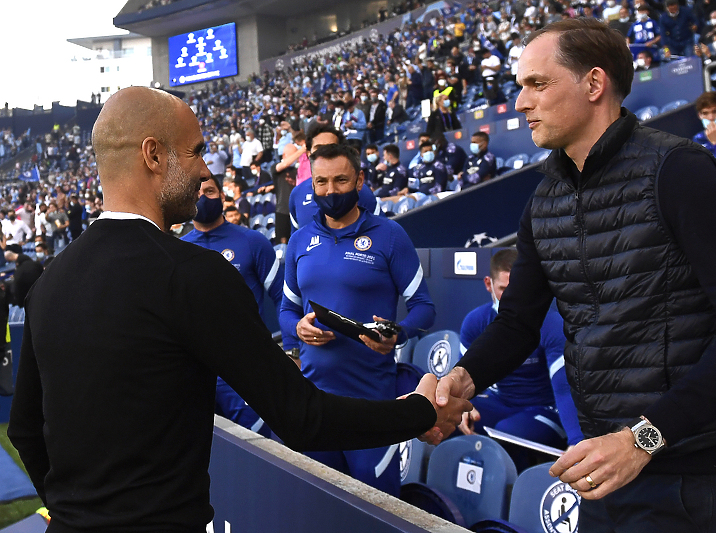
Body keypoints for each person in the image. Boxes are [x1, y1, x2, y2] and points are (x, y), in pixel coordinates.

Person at [8, 87, 470, 533]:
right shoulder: (193, 274)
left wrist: (77, 514)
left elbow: (26, 429)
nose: (203, 171)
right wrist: (418, 412)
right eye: (195, 152)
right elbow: (302, 418)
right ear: (153, 155)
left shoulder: (50, 282)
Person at [425, 19, 716, 532]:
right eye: (519, 86)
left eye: (538, 83)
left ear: (594, 84)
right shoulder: (543, 199)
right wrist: (458, 380)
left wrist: (641, 439)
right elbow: (516, 325)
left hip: (691, 479)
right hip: (600, 469)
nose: (522, 103)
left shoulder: (679, 170)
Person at [280, 143, 436, 497]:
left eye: (340, 180)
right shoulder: (300, 240)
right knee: (321, 512)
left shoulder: (390, 236)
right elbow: (286, 312)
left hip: (373, 405)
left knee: (376, 512)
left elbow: (424, 307)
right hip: (316, 403)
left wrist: (399, 333)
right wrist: (296, 329)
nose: (331, 191)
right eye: (321, 183)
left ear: (360, 180)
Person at [458, 249, 583, 461]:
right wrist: (459, 406)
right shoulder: (475, 321)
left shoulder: (551, 324)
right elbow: (462, 378)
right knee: (448, 418)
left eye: (516, 289)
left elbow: (564, 388)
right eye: (503, 289)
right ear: (488, 284)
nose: (511, 297)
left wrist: (577, 440)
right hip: (502, 403)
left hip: (545, 409)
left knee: (508, 431)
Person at [182, 174, 283, 322]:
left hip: (252, 343)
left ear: (222, 196)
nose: (202, 198)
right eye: (195, 193)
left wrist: (289, 341)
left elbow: (282, 296)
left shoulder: (252, 241)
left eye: (209, 191)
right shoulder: (179, 250)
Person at [288, 124, 380, 233]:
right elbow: (297, 242)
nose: (325, 153)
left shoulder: (360, 190)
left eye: (331, 147)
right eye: (319, 148)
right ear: (308, 154)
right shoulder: (297, 195)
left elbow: (382, 234)